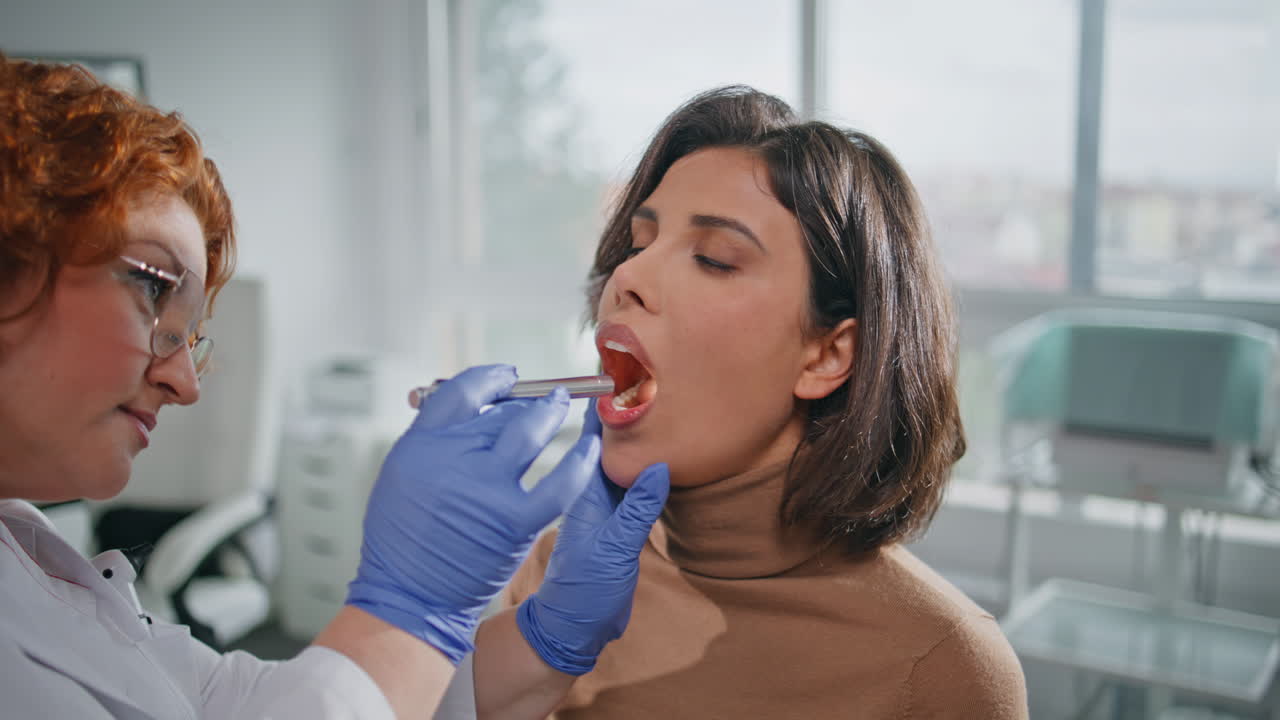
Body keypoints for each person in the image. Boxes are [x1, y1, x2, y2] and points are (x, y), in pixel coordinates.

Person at [0, 52, 668, 719]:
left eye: (190, 336)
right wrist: (415, 607)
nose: (184, 384)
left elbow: (222, 701)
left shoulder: (25, 555)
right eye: (152, 290)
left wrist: (547, 642)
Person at [466, 86, 1030, 718]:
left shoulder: (946, 668)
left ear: (826, 355)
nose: (628, 277)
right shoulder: (561, 577)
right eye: (638, 244)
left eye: (713, 259)